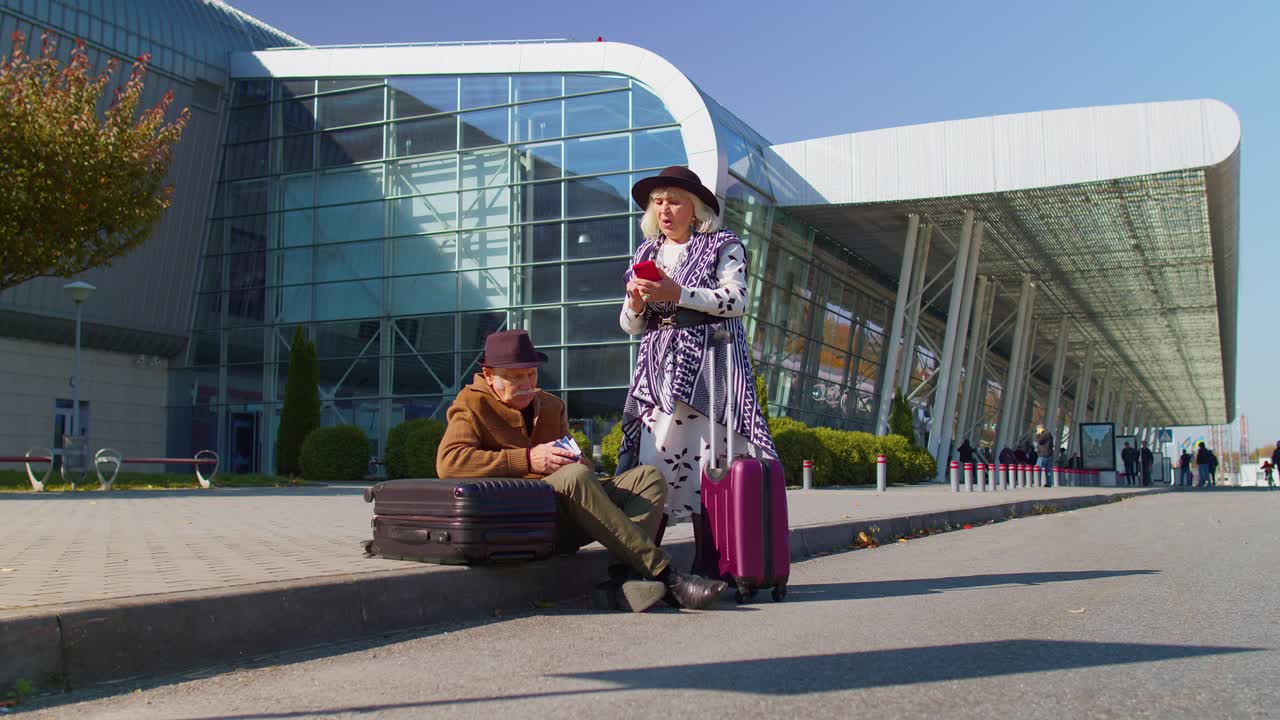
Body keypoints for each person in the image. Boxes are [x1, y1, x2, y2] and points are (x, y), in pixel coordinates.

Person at [436, 329, 727, 613]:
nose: (527, 384)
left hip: (571, 513)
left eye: (532, 374)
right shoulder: (470, 403)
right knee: (573, 478)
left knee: (647, 477)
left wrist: (581, 462)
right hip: (523, 522)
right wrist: (527, 460)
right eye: (515, 377)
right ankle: (667, 576)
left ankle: (624, 580)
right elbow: (449, 462)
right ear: (489, 375)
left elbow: (579, 465)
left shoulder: (551, 406)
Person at [617, 166, 778, 576]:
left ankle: (718, 562)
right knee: (656, 459)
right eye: (658, 201)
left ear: (696, 207)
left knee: (712, 458)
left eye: (674, 200)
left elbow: (737, 300)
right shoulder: (644, 254)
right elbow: (629, 325)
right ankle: (643, 566)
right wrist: (636, 304)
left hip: (712, 362)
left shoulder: (724, 244)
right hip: (659, 367)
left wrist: (679, 293)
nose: (665, 209)